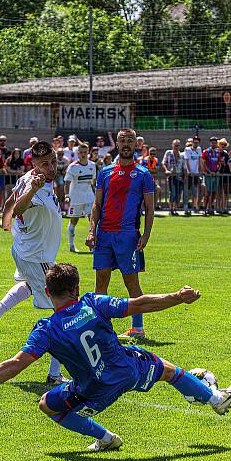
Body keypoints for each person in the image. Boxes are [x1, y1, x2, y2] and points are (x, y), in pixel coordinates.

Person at [0, 263, 231, 451]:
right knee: (168, 371)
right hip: (127, 370)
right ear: (76, 289)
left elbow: (14, 365)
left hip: (93, 391)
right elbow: (138, 304)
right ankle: (213, 398)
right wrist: (176, 297)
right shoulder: (92, 302)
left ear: (47, 291)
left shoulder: (47, 329)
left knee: (49, 405)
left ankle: (106, 437)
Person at [0, 141, 67, 385]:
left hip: (28, 251)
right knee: (62, 310)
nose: (51, 168)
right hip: (37, 256)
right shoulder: (34, 183)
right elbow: (19, 205)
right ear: (34, 165)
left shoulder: (29, 176)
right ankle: (54, 374)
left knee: (28, 286)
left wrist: (6, 224)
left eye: (53, 162)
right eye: (44, 165)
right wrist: (32, 190)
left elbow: (9, 203)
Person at [86, 128, 155, 341]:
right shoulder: (105, 172)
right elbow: (97, 204)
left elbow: (150, 209)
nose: (126, 144)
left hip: (128, 236)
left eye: (130, 140)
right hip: (104, 235)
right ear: (116, 144)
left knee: (131, 282)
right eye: (123, 140)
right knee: (101, 282)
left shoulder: (143, 174)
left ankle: (138, 328)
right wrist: (91, 230)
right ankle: (102, 327)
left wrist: (146, 234)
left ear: (136, 145)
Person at [64, 142, 96, 253]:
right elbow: (67, 182)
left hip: (89, 197)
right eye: (81, 152)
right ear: (78, 153)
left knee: (92, 221)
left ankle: (92, 246)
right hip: (76, 198)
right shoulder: (72, 167)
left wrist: (96, 195)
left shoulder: (92, 165)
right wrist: (67, 196)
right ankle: (71, 245)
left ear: (88, 152)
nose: (83, 154)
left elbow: (93, 182)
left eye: (85, 152)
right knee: (74, 221)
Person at [200, 136, 224, 215]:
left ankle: (211, 207)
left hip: (215, 174)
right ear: (210, 143)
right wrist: (208, 171)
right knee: (208, 192)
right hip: (208, 175)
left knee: (214, 192)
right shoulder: (206, 151)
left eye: (215, 143)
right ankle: (205, 208)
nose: (214, 144)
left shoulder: (218, 152)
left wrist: (218, 171)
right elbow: (203, 162)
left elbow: (219, 163)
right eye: (212, 142)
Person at [162, 139, 185, 215]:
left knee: (178, 194)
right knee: (173, 193)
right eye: (175, 145)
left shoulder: (182, 155)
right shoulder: (168, 153)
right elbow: (164, 163)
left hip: (180, 177)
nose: (176, 147)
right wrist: (166, 170)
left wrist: (185, 176)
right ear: (172, 145)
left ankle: (175, 209)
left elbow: (183, 167)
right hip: (171, 176)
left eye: (178, 146)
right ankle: (170, 209)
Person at [183, 135, 202, 215]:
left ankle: (194, 207)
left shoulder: (199, 149)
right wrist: (189, 171)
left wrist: (199, 170)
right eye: (194, 142)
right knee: (187, 191)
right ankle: (186, 208)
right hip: (189, 174)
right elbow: (186, 161)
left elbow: (199, 160)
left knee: (195, 191)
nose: (196, 144)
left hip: (196, 173)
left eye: (197, 142)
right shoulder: (187, 149)